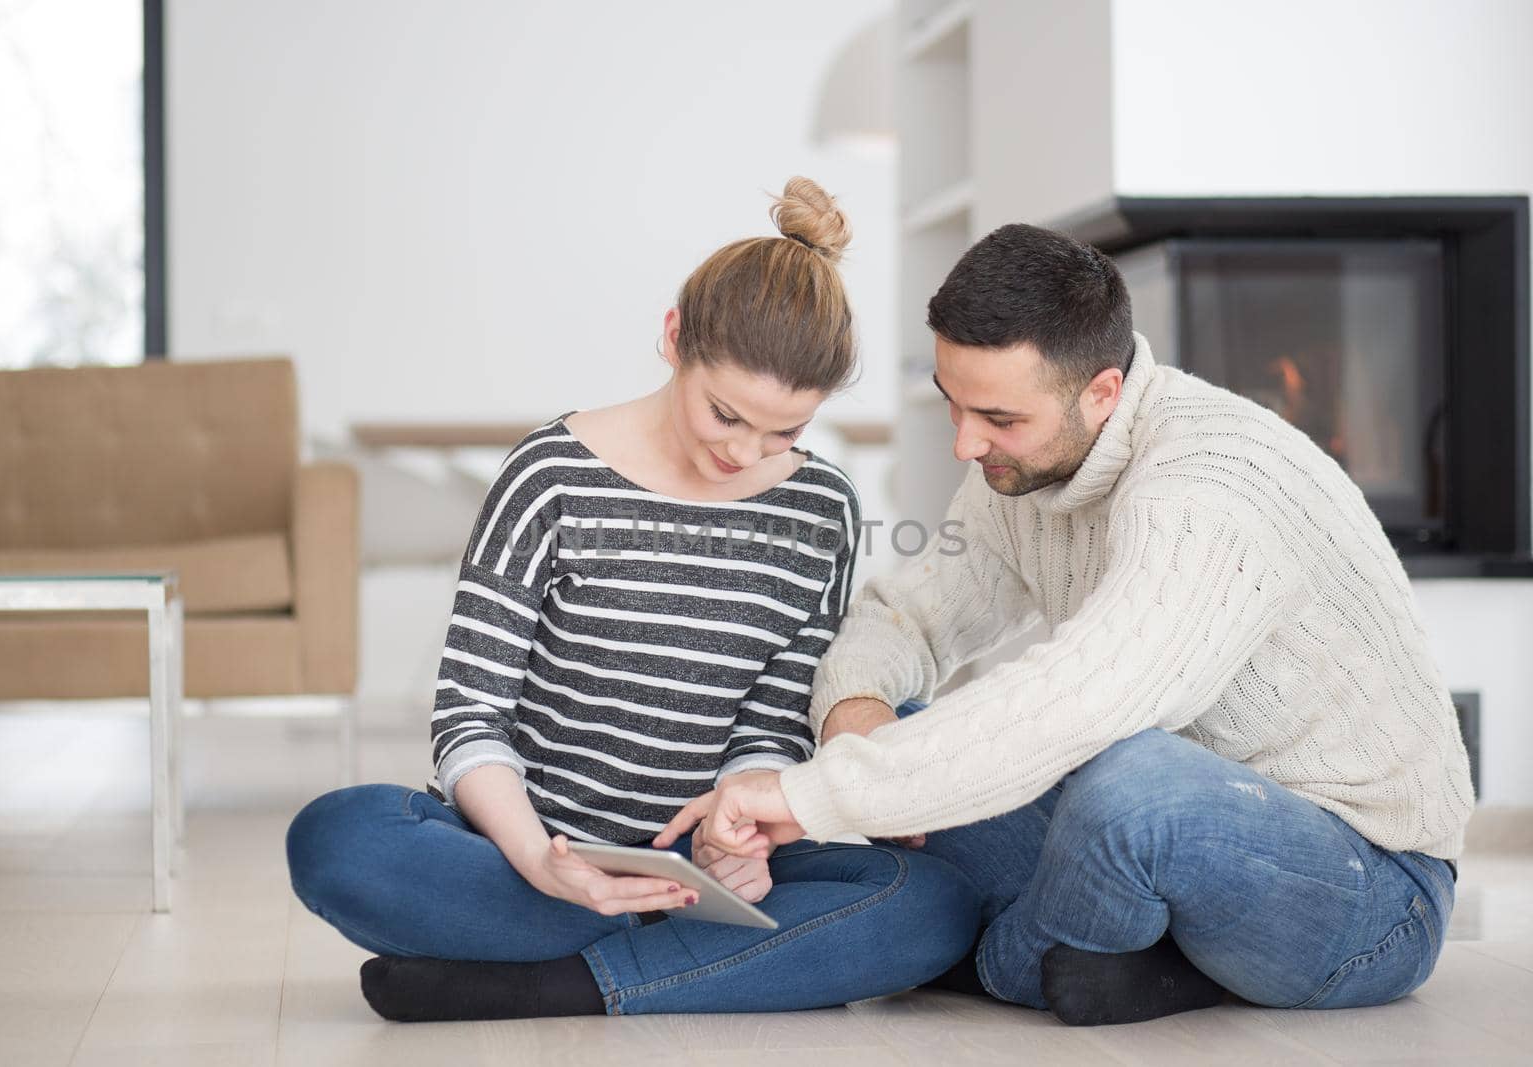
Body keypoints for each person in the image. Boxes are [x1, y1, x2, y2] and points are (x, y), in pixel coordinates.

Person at [661, 222, 1473, 1026]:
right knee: (899, 734)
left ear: (1102, 394)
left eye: (999, 419)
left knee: (1131, 788)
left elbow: (1081, 700)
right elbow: (903, 616)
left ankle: (998, 960)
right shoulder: (1022, 469)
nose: (965, 443)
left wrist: (816, 795)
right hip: (1123, 818)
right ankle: (1103, 953)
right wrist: (855, 731)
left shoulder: (1208, 488)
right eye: (955, 405)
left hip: (1372, 887)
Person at [285, 178, 980, 1022]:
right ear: (673, 336)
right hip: (530, 854)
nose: (744, 450)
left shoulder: (819, 507)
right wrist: (541, 858)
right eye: (725, 413)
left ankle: (553, 983)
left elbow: (769, 719)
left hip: (701, 867)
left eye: (783, 432)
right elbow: (469, 714)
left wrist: (745, 828)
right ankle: (700, 963)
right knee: (337, 839)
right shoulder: (551, 475)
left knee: (931, 902)